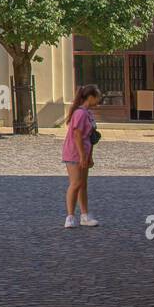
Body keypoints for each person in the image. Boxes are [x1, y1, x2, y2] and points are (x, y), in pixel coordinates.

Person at [63, 85, 101, 228]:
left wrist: (89, 156)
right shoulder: (80, 113)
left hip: (84, 152)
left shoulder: (88, 113)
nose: (99, 100)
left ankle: (84, 215)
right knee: (75, 183)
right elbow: (77, 135)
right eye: (98, 96)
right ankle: (70, 216)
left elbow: (90, 137)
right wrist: (82, 156)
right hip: (74, 152)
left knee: (83, 184)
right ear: (90, 97)